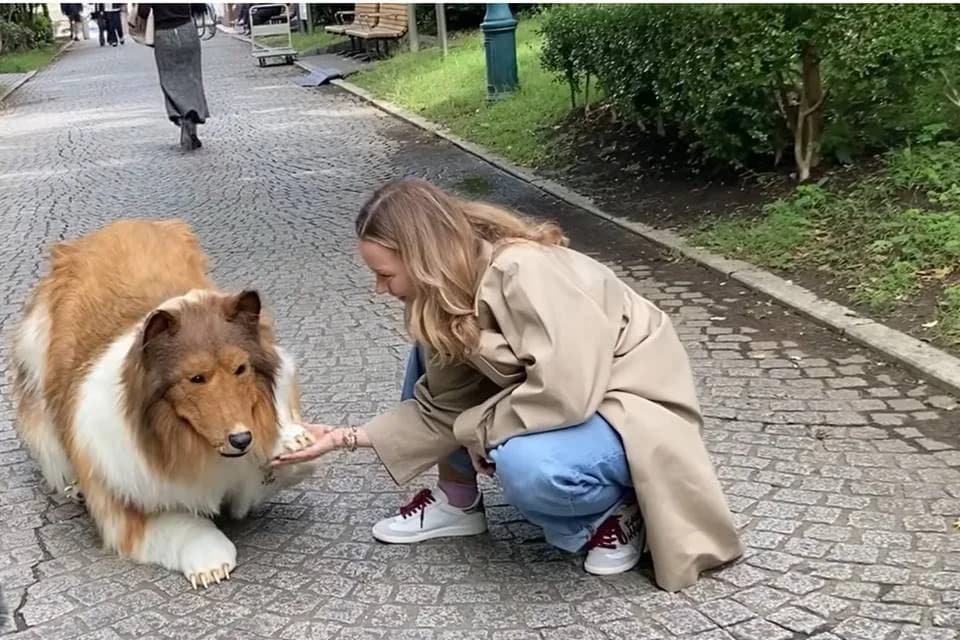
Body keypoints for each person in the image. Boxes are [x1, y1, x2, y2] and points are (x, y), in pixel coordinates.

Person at [273, 177, 744, 590]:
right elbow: (444, 404)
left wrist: (482, 430)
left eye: (384, 274)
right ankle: (457, 500)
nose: (379, 288)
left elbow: (566, 391)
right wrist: (343, 438)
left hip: (629, 405)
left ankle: (619, 510)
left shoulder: (524, 270)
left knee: (528, 466)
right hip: (573, 400)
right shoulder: (445, 294)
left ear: (420, 257)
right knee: (429, 349)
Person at [135, 3, 210, 150]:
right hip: (187, 29)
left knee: (169, 79)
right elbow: (199, 7)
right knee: (192, 77)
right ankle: (192, 120)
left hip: (163, 33)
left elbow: (143, 12)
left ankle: (181, 116)